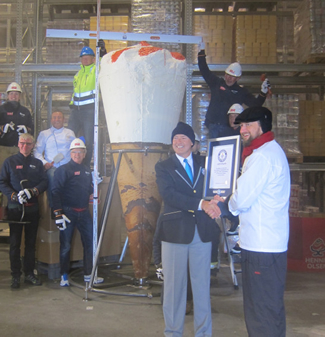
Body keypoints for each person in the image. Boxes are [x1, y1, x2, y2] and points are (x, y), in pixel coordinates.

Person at [214, 106, 290, 337]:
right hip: (267, 245)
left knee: (260, 311)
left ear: (262, 126)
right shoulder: (268, 151)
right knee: (270, 307)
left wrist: (225, 203)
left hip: (261, 248)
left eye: (248, 125)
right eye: (241, 125)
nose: (243, 130)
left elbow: (241, 201)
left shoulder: (263, 157)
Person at [155, 121, 221, 337]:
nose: (178, 141)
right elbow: (169, 195)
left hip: (201, 231)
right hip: (174, 233)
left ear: (192, 143)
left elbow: (220, 181)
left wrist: (219, 197)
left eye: (183, 138)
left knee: (202, 288)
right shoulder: (164, 166)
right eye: (175, 138)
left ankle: (204, 333)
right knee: (174, 289)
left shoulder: (206, 162)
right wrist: (200, 204)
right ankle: (173, 333)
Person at [52, 138, 103, 286]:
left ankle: (89, 274)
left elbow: (87, 191)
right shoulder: (63, 170)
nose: (77, 155)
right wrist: (58, 213)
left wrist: (94, 184)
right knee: (66, 245)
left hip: (84, 213)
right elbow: (55, 192)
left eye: (80, 152)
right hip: (68, 213)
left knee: (91, 243)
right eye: (74, 152)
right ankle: (64, 276)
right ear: (70, 153)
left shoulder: (87, 170)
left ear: (85, 153)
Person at [0, 133, 48, 289]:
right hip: (15, 209)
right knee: (14, 244)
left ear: (33, 145)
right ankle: (15, 275)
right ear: (18, 144)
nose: (25, 146)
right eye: (22, 143)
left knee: (30, 244)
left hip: (32, 208)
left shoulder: (37, 164)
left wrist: (33, 191)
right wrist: (13, 195)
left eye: (28, 143)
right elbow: (2, 182)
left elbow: (44, 181)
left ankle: (29, 274)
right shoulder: (10, 162)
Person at [198, 44, 270, 139]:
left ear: (238, 78)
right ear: (225, 73)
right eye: (228, 75)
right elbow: (204, 70)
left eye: (232, 77)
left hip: (228, 129)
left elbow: (255, 105)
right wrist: (201, 52)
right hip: (212, 125)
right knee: (214, 151)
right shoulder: (217, 83)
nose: (229, 78)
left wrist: (263, 93)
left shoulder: (241, 92)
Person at [68, 41, 107, 167]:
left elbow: (103, 63)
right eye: (83, 58)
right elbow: (75, 92)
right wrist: (72, 103)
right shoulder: (78, 74)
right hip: (76, 111)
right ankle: (70, 164)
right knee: (69, 137)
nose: (85, 60)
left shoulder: (95, 70)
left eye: (87, 57)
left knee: (89, 140)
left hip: (89, 111)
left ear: (92, 58)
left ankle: (84, 166)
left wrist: (102, 51)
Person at [34, 111, 75, 209]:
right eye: (54, 117)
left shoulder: (70, 133)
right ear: (51, 120)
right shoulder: (44, 134)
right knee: (52, 178)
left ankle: (71, 208)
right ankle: (55, 208)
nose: (57, 120)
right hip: (52, 167)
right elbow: (37, 151)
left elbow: (75, 150)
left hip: (68, 166)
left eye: (59, 117)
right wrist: (45, 163)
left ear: (64, 119)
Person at [0, 82, 34, 147]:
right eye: (11, 94)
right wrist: (2, 128)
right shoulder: (1, 110)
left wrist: (26, 130)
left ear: (20, 96)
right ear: (8, 96)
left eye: (16, 94)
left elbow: (32, 130)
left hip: (21, 148)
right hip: (3, 147)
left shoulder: (25, 112)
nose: (14, 96)